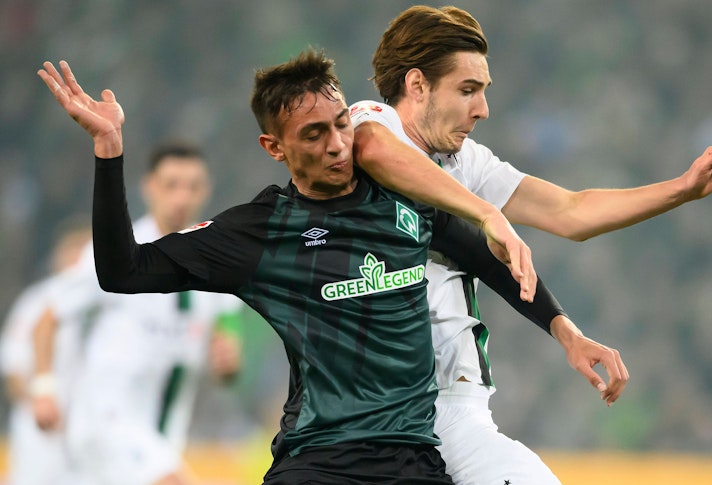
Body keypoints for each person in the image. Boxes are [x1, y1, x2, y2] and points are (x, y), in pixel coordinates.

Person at [36, 49, 566, 484]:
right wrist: (109, 151)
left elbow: (490, 261)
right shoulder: (259, 232)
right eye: (313, 134)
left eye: (341, 124)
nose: (337, 146)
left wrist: (564, 329)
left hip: (413, 461)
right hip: (317, 462)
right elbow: (123, 272)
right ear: (274, 147)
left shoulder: (406, 199)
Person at [347, 5, 712, 483]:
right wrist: (487, 214)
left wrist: (683, 189)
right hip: (377, 408)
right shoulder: (369, 125)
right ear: (417, 85)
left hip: (458, 410)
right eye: (467, 90)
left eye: (483, 91)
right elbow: (374, 149)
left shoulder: (468, 163)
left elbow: (572, 212)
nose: (482, 109)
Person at [29, 142, 245, 485]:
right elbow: (47, 320)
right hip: (107, 420)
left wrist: (228, 362)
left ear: (206, 190)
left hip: (164, 432)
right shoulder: (118, 250)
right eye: (171, 184)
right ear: (149, 187)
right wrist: (43, 388)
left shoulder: (217, 259)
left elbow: (227, 347)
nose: (182, 197)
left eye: (193, 186)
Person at [0, 217, 91, 485]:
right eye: (73, 250)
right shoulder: (36, 302)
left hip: (90, 428)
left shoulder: (108, 304)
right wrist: (40, 403)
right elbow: (14, 369)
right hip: (41, 432)